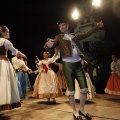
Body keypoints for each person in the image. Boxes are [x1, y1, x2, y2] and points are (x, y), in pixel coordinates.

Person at [44, 19, 103, 120]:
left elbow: (86, 34)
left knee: (84, 89)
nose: (62, 27)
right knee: (71, 91)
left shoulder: (74, 36)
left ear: (67, 26)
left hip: (78, 64)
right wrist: (47, 45)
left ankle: (82, 110)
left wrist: (97, 26)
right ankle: (75, 112)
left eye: (63, 25)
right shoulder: (59, 37)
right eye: (60, 26)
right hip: (67, 64)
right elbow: (50, 45)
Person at [0, 25, 27, 110]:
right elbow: (15, 51)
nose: (9, 33)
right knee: (4, 81)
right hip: (3, 62)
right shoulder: (5, 41)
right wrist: (23, 55)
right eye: (7, 32)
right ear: (2, 33)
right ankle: (3, 102)